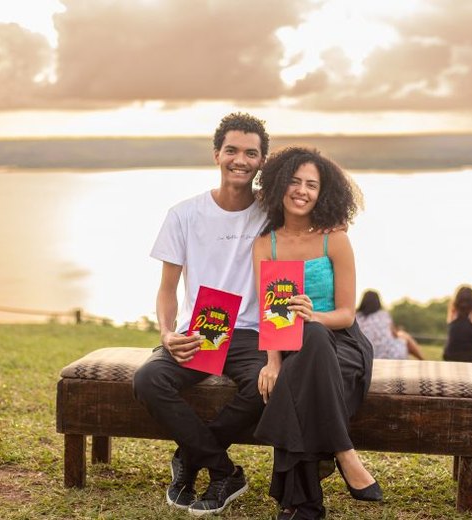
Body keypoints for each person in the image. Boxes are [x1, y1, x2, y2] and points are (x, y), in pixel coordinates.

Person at [132, 113, 270, 516]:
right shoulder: (184, 214)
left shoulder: (272, 214)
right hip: (204, 329)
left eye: (250, 152)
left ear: (262, 160)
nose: (240, 159)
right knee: (149, 378)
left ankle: (189, 459)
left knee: (267, 386)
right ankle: (224, 469)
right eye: (232, 150)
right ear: (217, 154)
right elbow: (167, 288)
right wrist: (166, 332)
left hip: (251, 334)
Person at [252, 146, 381, 520]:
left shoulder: (334, 238)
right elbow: (270, 311)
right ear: (279, 185)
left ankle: (299, 503)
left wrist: (315, 317)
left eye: (312, 184)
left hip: (341, 342)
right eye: (294, 181)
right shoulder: (266, 244)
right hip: (291, 344)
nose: (302, 190)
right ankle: (343, 452)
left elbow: (345, 313)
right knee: (299, 366)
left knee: (313, 338)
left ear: (323, 193)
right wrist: (272, 362)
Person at [356, 290, 424, 360]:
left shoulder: (356, 317)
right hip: (390, 355)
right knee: (404, 335)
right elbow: (394, 334)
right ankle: (422, 360)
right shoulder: (384, 315)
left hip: (364, 355)